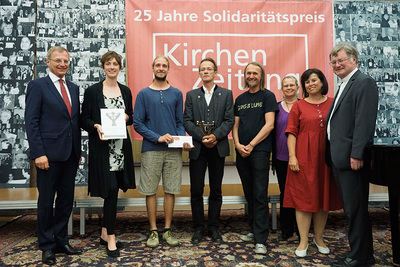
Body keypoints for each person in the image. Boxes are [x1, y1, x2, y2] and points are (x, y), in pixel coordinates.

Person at [25, 46, 82, 265]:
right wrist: (39, 153)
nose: (62, 64)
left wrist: (77, 150)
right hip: (47, 156)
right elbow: (31, 122)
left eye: (66, 61)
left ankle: (61, 240)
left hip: (70, 155)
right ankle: (46, 246)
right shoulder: (38, 86)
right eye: (58, 60)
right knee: (46, 202)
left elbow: (73, 121)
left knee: (66, 201)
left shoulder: (74, 88)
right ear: (48, 62)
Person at [327, 43, 379, 267]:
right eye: (334, 62)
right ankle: (357, 251)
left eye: (341, 60)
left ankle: (361, 256)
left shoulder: (364, 83)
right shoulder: (343, 84)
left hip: (352, 159)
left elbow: (364, 122)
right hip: (340, 157)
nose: (337, 65)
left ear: (354, 59)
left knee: (356, 209)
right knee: (351, 208)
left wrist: (357, 154)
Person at [80, 51, 136, 257]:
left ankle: (104, 232)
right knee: (110, 189)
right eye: (108, 64)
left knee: (114, 192)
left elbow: (131, 118)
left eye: (116, 64)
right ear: (103, 67)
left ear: (120, 68)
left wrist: (127, 116)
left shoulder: (126, 91)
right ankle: (111, 236)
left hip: (121, 149)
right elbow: (83, 119)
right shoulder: (93, 91)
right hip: (103, 149)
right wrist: (95, 125)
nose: (112, 67)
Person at [133, 55, 191, 248]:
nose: (161, 68)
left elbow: (179, 122)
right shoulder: (143, 94)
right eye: (158, 65)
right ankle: (152, 231)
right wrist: (157, 137)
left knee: (170, 190)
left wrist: (181, 139)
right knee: (150, 191)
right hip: (151, 150)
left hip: (173, 151)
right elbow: (138, 124)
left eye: (164, 65)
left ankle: (167, 230)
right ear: (153, 68)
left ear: (168, 68)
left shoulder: (176, 93)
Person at [284, 69, 342, 258]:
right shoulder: (298, 106)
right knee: (303, 199)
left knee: (322, 198)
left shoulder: (333, 103)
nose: (310, 84)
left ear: (322, 82)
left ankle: (319, 237)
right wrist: (292, 156)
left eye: (314, 80)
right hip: (303, 159)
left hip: (326, 158)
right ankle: (303, 240)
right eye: (306, 82)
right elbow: (291, 132)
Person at [183, 57, 234, 244]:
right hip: (198, 148)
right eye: (202, 69)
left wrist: (215, 136)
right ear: (199, 73)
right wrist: (202, 137)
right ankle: (198, 228)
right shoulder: (191, 95)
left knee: (216, 190)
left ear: (215, 72)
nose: (206, 72)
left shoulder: (227, 94)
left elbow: (229, 120)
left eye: (209, 69)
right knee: (196, 190)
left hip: (217, 148)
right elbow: (186, 120)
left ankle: (213, 228)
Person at [232, 61, 278, 254]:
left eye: (255, 73)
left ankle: (261, 239)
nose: (251, 76)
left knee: (260, 195)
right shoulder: (240, 99)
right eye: (248, 73)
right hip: (241, 151)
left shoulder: (268, 96)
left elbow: (269, 125)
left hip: (259, 151)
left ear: (261, 76)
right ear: (245, 76)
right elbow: (235, 126)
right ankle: (254, 229)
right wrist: (237, 144)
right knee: (249, 193)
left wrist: (251, 145)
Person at [272, 75, 299, 241]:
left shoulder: (304, 105)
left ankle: (301, 230)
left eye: (292, 85)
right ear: (282, 89)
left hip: (301, 158)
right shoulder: (276, 108)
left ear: (297, 87)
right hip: (281, 158)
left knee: (301, 194)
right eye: (285, 85)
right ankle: (286, 230)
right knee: (285, 194)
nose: (289, 88)